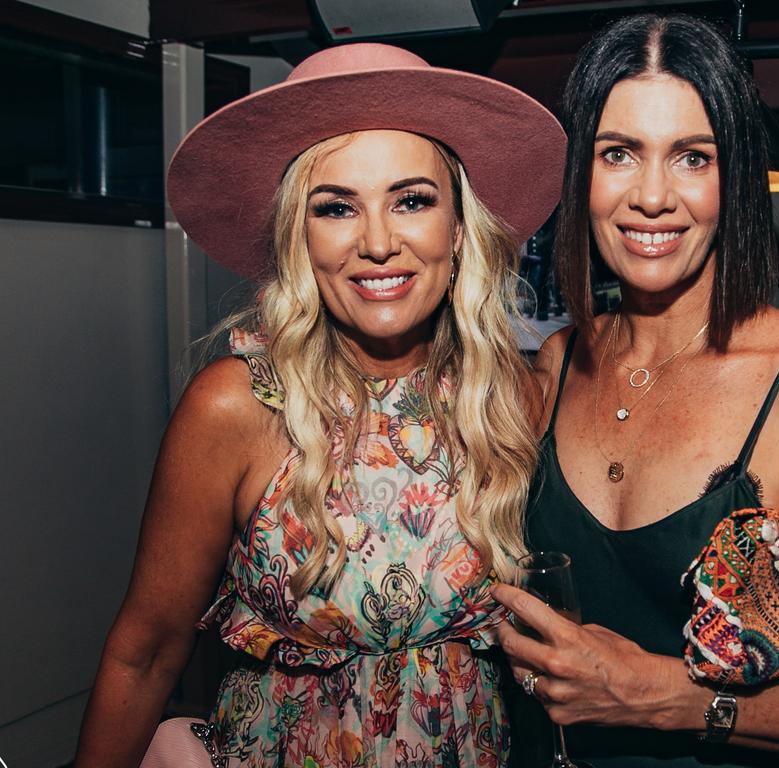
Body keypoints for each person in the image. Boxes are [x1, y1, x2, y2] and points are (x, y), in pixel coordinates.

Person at [74, 43, 565, 768]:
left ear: (459, 232)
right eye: (336, 207)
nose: (377, 243)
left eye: (412, 200)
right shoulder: (238, 405)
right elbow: (145, 654)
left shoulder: (512, 399)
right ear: (298, 238)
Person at [493, 13, 779, 768]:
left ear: (734, 178)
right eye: (619, 154)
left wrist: (666, 696)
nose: (651, 196)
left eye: (691, 158)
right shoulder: (556, 365)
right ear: (581, 175)